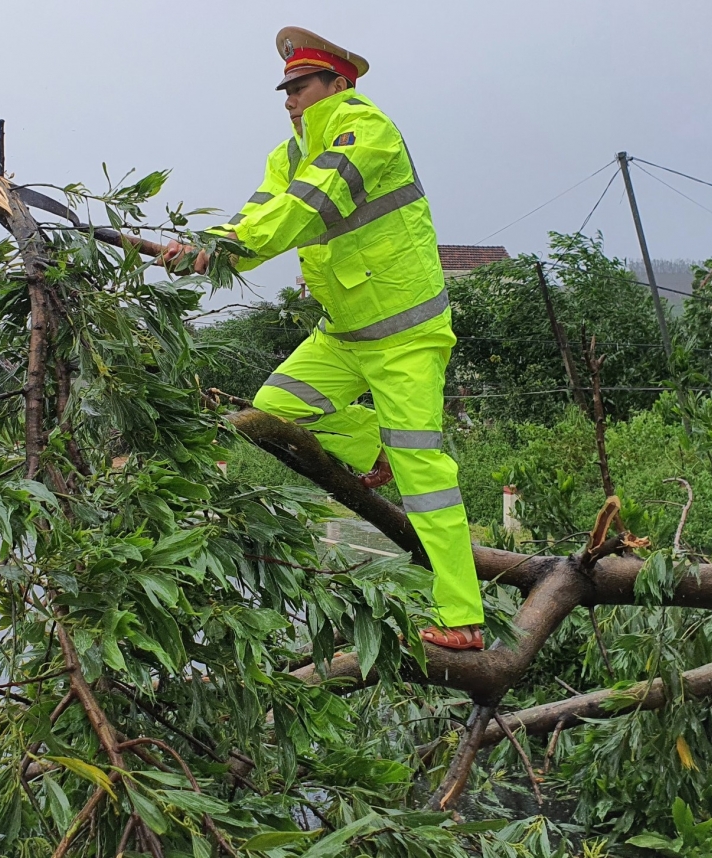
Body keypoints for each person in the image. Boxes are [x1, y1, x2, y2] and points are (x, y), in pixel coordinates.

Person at [163, 27, 484, 650]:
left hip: (406, 335)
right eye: (285, 89)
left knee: (427, 472)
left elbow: (306, 209)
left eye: (301, 86)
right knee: (273, 411)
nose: (289, 99)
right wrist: (206, 247)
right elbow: (259, 215)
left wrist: (225, 246)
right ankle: (375, 447)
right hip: (342, 333)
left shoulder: (366, 131)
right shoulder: (287, 154)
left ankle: (463, 619)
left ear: (339, 83)